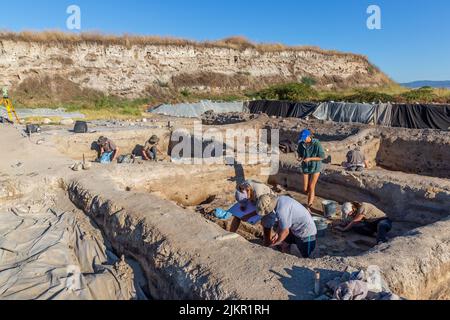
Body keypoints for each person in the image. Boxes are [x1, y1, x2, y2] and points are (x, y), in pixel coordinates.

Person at [257, 194, 317, 258]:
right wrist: (277, 233)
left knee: (306, 257)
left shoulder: (281, 210)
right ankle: (285, 258)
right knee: (284, 245)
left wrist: (276, 243)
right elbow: (283, 223)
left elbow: (285, 231)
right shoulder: (279, 200)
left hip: (306, 233)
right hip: (294, 228)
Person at [296, 130, 325, 210]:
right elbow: (299, 153)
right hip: (306, 166)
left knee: (312, 186)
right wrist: (299, 157)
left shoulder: (317, 143)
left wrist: (310, 159)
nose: (303, 140)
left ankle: (309, 205)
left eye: (304, 138)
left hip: (315, 167)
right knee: (305, 188)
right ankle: (310, 197)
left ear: (309, 137)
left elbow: (322, 157)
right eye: (302, 139)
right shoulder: (301, 144)